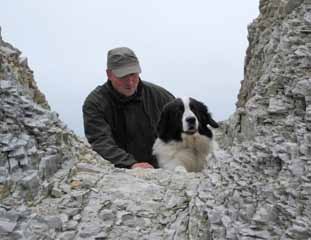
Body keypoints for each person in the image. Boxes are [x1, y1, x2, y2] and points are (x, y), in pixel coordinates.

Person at [83, 47, 174, 169]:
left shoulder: (161, 96)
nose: (130, 82)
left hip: (164, 168)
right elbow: (100, 141)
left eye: (133, 74)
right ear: (109, 74)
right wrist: (131, 164)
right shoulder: (95, 103)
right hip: (121, 172)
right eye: (123, 76)